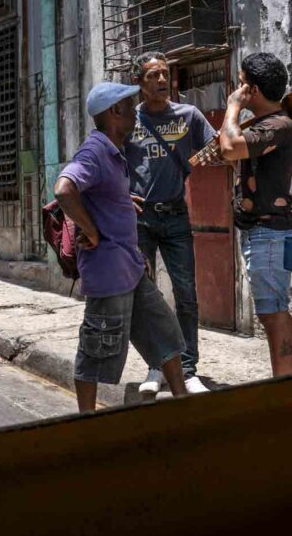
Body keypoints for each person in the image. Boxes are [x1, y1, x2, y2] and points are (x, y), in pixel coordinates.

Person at [54, 82, 189, 412]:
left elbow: (94, 191)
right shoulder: (96, 149)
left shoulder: (115, 152)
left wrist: (118, 201)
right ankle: (87, 420)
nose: (135, 112)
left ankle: (184, 404)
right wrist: (92, 231)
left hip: (130, 267)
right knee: (98, 348)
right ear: (115, 112)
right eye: (130, 106)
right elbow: (64, 189)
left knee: (164, 333)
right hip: (109, 273)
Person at [126, 51, 217, 395]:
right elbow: (112, 164)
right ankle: (156, 367)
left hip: (176, 214)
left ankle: (189, 368)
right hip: (140, 219)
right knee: (147, 297)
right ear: (140, 83)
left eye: (165, 74)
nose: (162, 81)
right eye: (153, 76)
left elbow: (217, 147)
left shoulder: (188, 116)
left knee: (186, 294)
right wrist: (122, 196)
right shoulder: (128, 120)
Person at [218, 53, 292, 376]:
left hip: (272, 233)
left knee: (273, 313)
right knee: (275, 311)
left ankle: (286, 385)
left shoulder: (278, 125)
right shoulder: (266, 126)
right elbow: (234, 154)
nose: (238, 89)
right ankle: (286, 379)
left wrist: (232, 106)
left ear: (252, 90)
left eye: (241, 83)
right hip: (267, 233)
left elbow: (230, 148)